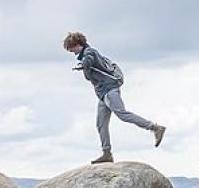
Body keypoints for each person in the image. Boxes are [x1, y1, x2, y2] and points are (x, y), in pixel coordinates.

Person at [63, 31, 166, 164]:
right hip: (102, 94)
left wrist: (83, 65)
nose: (71, 51)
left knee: (122, 114)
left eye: (71, 48)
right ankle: (107, 154)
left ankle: (155, 128)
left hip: (109, 90)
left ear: (77, 44)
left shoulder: (89, 53)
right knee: (101, 124)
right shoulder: (86, 55)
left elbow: (88, 61)